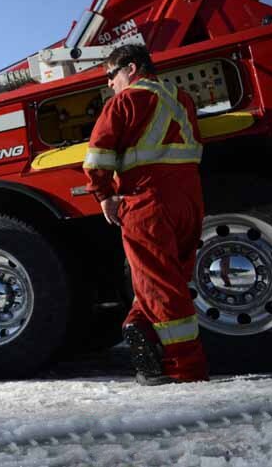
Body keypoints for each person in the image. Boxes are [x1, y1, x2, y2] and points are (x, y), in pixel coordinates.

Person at [83, 43, 208, 386]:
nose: (109, 83)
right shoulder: (182, 99)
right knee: (170, 278)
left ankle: (185, 369)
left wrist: (104, 196)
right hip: (189, 201)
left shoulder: (123, 102)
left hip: (147, 201)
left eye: (111, 75)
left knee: (159, 283)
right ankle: (137, 325)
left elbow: (96, 159)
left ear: (132, 69)